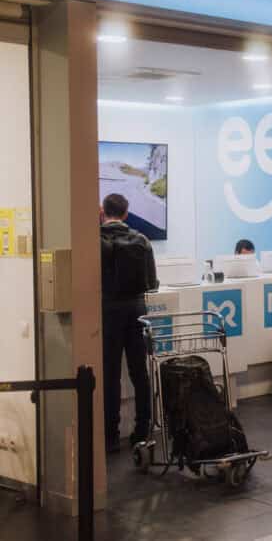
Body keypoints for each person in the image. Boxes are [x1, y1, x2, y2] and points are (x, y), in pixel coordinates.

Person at [100, 193, 158, 453]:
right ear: (126, 213)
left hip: (108, 310)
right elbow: (152, 283)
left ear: (104, 212)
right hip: (137, 309)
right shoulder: (142, 239)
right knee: (139, 373)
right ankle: (142, 430)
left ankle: (111, 436)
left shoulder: (96, 240)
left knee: (110, 374)